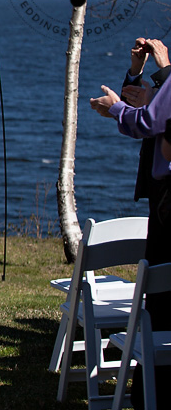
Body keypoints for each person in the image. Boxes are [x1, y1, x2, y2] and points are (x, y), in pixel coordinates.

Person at [90, 37, 171, 410]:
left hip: (167, 200)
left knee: (159, 297)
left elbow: (151, 121)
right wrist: (137, 74)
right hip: (160, 194)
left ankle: (149, 395)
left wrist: (119, 110)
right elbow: (148, 110)